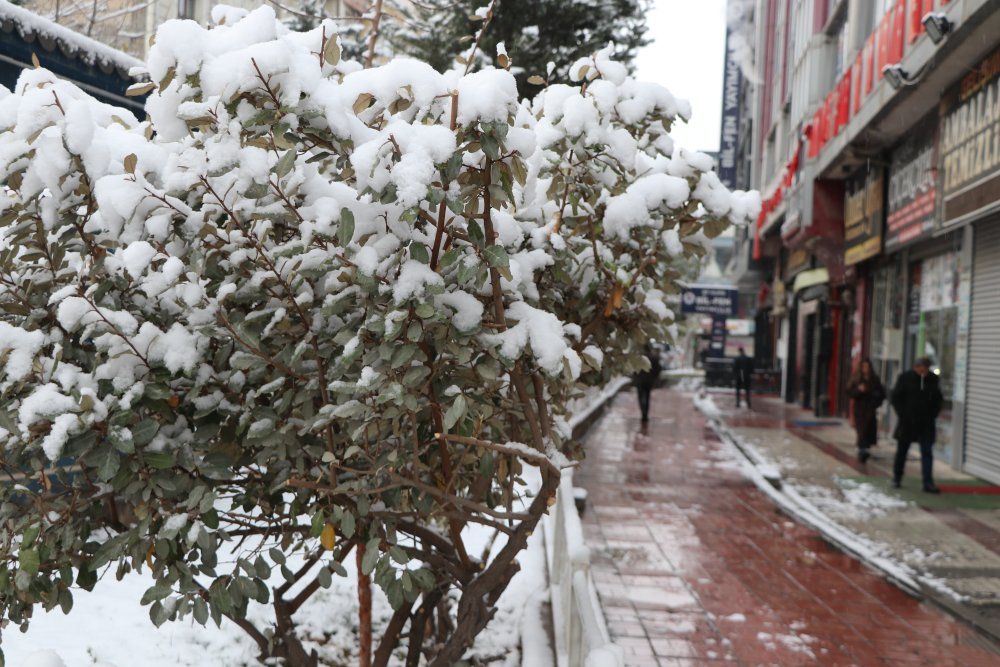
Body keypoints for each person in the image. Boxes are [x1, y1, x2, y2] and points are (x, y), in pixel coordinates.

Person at [890, 357, 943, 493]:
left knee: (927, 452)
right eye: (920, 367)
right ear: (915, 367)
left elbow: (938, 399)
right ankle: (897, 477)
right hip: (907, 422)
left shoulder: (933, 380)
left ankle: (928, 482)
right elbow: (895, 397)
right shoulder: (905, 378)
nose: (922, 370)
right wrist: (903, 413)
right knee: (902, 450)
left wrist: (933, 413)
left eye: (925, 367)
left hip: (926, 423)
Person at [847, 358, 885, 464]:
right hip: (859, 409)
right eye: (864, 367)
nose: (865, 369)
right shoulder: (857, 379)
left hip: (870, 409)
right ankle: (862, 449)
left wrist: (874, 400)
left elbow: (881, 394)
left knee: (868, 429)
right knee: (861, 429)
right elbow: (850, 392)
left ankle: (864, 447)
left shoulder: (874, 380)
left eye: (867, 367)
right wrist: (859, 390)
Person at [633, 343, 662, 423]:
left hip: (639, 381)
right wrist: (654, 377)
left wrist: (635, 377)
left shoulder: (638, 358)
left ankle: (643, 412)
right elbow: (659, 369)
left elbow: (634, 369)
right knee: (647, 396)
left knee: (640, 396)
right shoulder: (654, 357)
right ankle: (645, 413)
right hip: (649, 381)